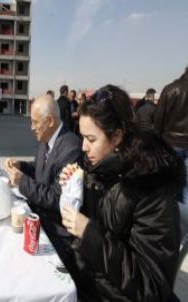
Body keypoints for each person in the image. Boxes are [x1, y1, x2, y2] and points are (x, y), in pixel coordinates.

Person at [59, 85, 183, 301]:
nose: (83, 148)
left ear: (117, 136)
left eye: (91, 139)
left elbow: (151, 285)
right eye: (82, 137)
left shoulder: (150, 188)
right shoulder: (102, 169)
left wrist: (88, 234)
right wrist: (73, 187)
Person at [4, 94, 82, 244]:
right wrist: (21, 166)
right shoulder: (48, 137)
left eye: (35, 122)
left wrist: (22, 182)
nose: (32, 127)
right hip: (38, 216)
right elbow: (40, 169)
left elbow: (57, 198)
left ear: (50, 121)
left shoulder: (71, 149)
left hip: (55, 233)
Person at [155, 66, 188, 204]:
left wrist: (157, 143)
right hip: (176, 144)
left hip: (171, 144)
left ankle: (173, 219)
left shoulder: (170, 89)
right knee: (186, 189)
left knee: (169, 186)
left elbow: (158, 119)